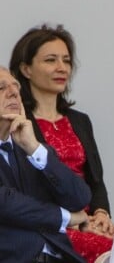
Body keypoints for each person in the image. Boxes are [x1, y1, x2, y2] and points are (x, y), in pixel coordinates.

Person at [9, 24, 114, 263]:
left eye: (66, 60)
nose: (61, 68)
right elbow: (28, 188)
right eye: (50, 60)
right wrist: (77, 220)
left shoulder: (80, 120)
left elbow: (96, 180)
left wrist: (101, 214)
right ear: (26, 68)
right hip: (55, 226)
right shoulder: (19, 124)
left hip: (89, 221)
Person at [0, 66, 91, 262]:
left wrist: (33, 147)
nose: (14, 92)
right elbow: (7, 203)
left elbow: (80, 197)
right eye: (1, 88)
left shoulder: (30, 148)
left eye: (15, 87)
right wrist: (67, 217)